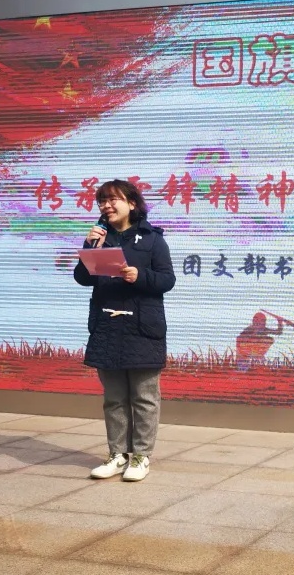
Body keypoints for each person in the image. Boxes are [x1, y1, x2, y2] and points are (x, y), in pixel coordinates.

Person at [74, 179, 175, 482]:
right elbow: (82, 278)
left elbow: (167, 280)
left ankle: (141, 456)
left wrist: (139, 275)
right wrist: (89, 246)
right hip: (108, 326)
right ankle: (117, 454)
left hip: (142, 327)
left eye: (112, 199)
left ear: (131, 203)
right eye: (102, 201)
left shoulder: (152, 239)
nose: (106, 206)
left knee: (145, 397)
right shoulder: (99, 237)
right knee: (114, 398)